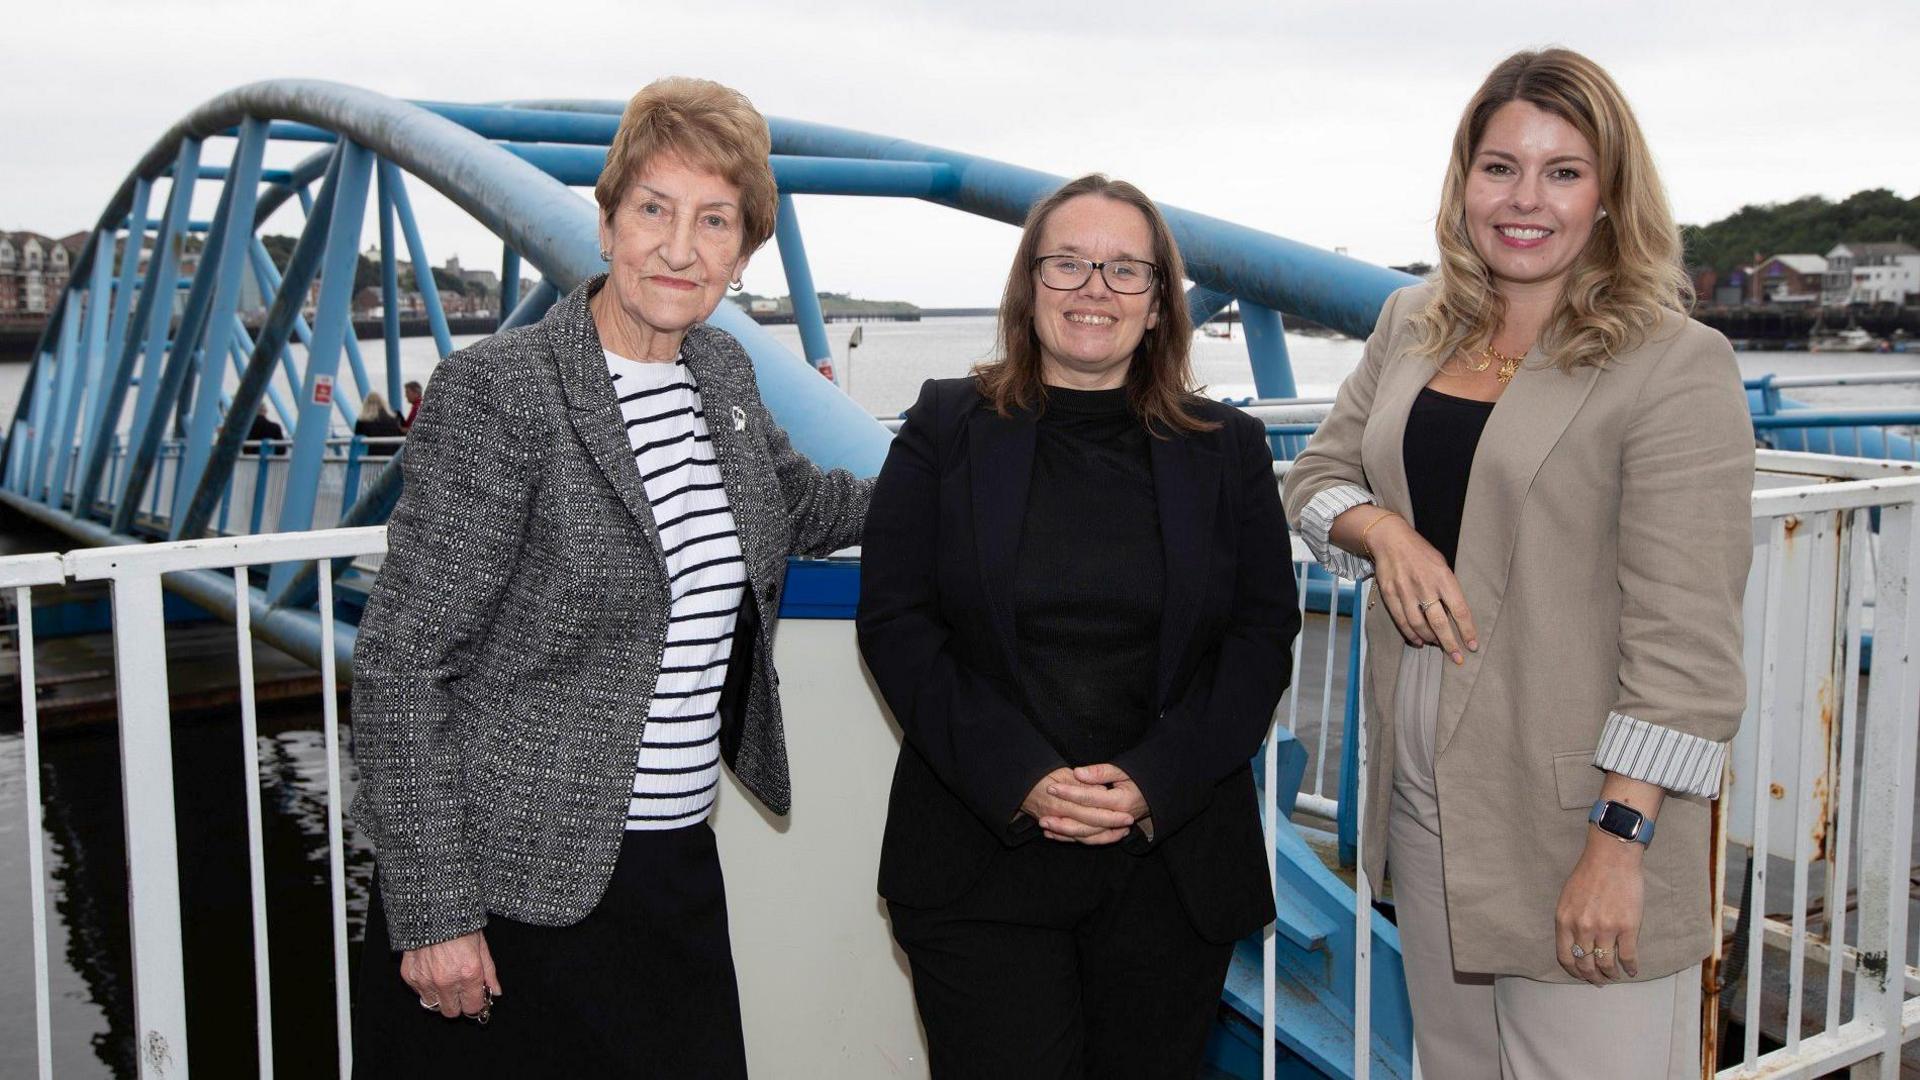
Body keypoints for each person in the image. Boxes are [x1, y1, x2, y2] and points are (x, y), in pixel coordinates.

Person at [349, 76, 871, 1076]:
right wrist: (433, 914)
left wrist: (969, 469)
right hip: (512, 890)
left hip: (673, 869)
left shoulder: (718, 376)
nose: (681, 248)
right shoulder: (503, 391)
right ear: (605, 222)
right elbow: (403, 663)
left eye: (715, 221)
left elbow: (801, 504)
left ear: (744, 250)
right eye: (655, 211)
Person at [1282, 48, 1751, 1078]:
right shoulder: (1414, 322)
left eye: (1563, 171)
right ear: (1464, 183)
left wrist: (1618, 844)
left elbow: (1687, 648)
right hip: (1426, 808)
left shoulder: (1674, 364)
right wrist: (1383, 532)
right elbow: (1314, 477)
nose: (1525, 200)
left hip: (1576, 821)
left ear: (1610, 193)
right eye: (1500, 168)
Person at [857, 174, 1301, 1078]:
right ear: (1028, 285)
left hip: (1168, 864)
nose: (1094, 287)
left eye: (1125, 269)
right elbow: (898, 622)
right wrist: (1020, 776)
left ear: (1157, 304)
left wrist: (1152, 780)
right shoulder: (947, 424)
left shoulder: (1229, 447)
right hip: (982, 861)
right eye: (1068, 262)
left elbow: (1261, 638)